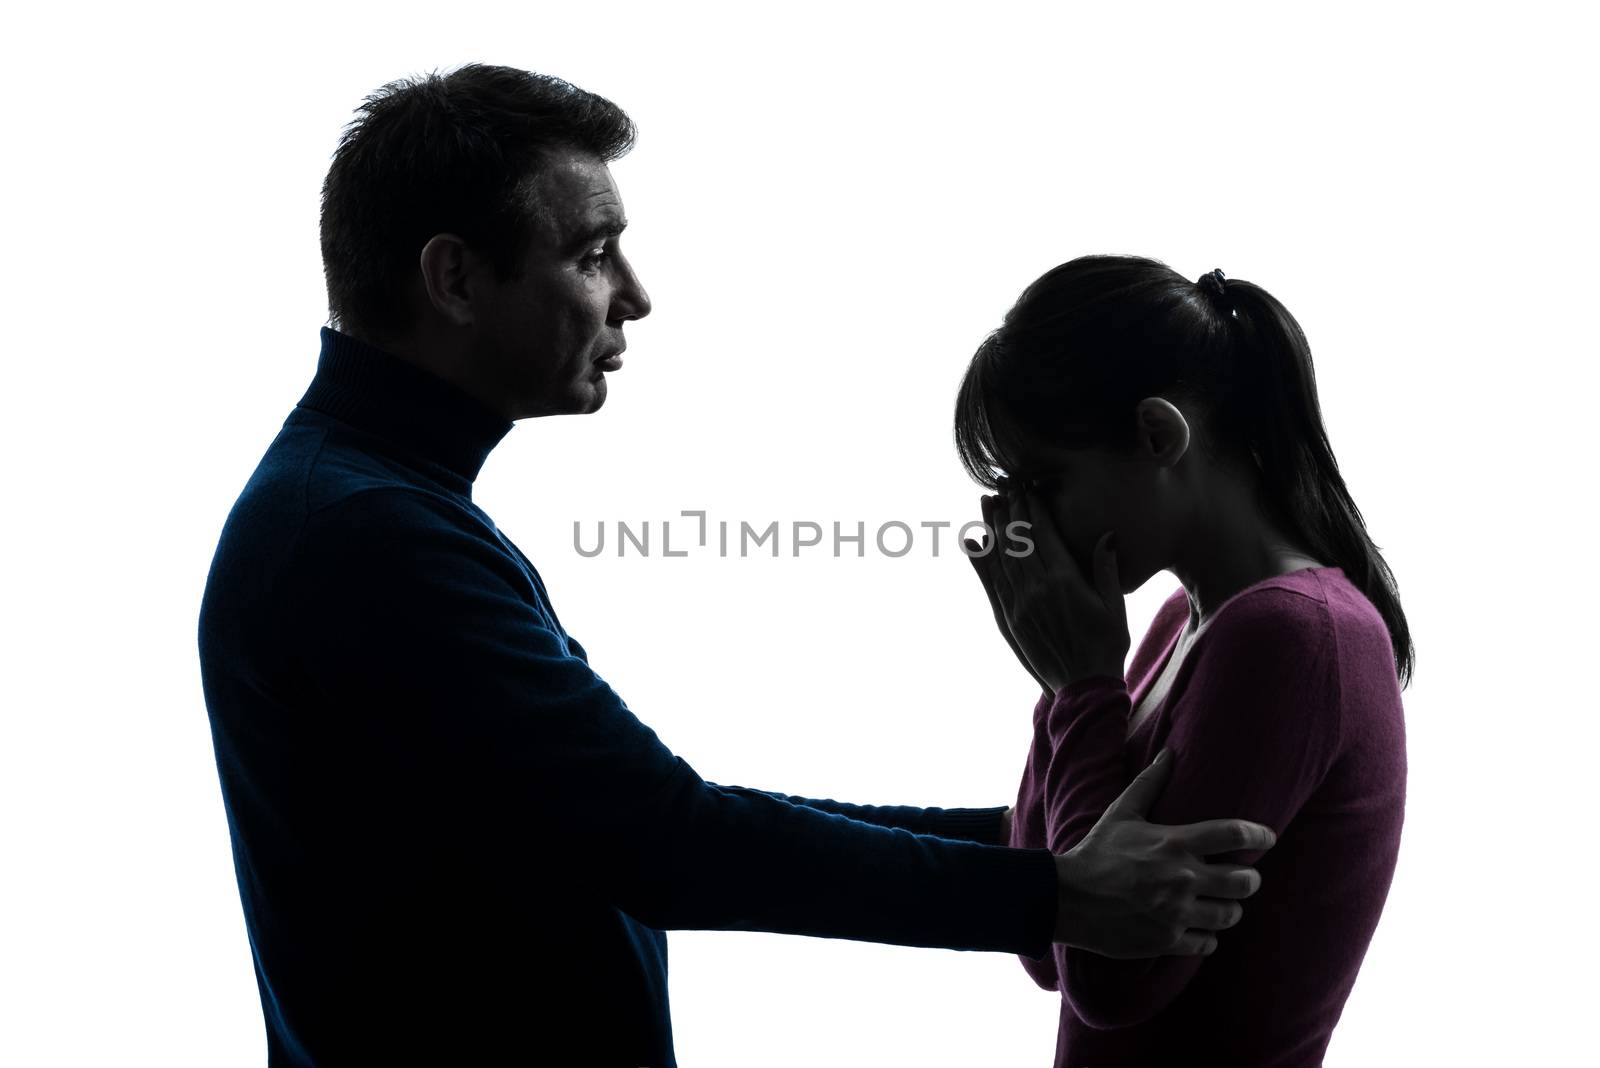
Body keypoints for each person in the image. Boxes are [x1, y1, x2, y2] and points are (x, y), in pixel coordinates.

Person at [196, 66, 1277, 1066]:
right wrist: (1048, 895)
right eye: (589, 252)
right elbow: (662, 840)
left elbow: (633, 818)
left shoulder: (366, 508)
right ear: (454, 279)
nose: (634, 294)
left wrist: (1037, 849)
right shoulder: (365, 535)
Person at [958, 256, 1409, 1066]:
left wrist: (1080, 684)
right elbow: (1041, 930)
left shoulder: (1293, 636)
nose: (1024, 523)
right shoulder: (1182, 623)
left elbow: (1107, 978)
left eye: (1044, 482)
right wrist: (1061, 682)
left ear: (1159, 436)